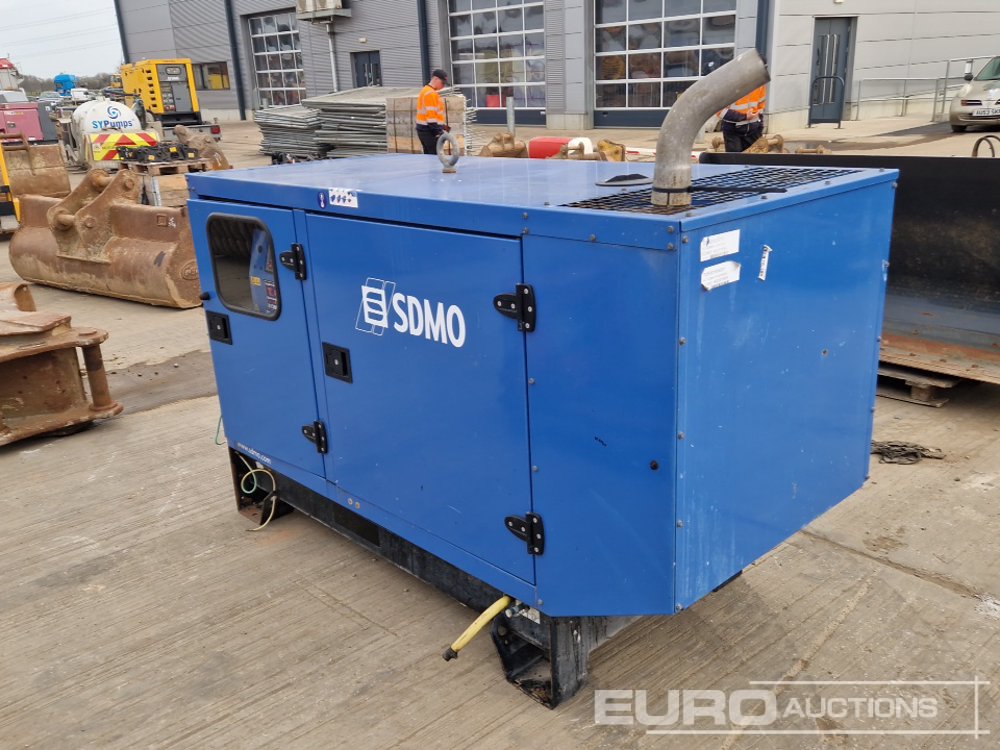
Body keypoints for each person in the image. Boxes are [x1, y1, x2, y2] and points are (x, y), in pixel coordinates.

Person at [719, 85, 767, 153]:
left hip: (754, 129)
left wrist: (759, 128)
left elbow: (760, 109)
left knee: (755, 157)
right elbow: (720, 112)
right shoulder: (730, 84)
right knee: (735, 158)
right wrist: (744, 117)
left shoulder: (760, 84)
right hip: (733, 130)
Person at [416, 69, 450, 155]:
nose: (443, 86)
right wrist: (438, 132)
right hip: (429, 132)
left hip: (423, 130)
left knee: (428, 156)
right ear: (435, 79)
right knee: (435, 157)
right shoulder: (430, 94)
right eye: (442, 83)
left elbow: (430, 114)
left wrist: (442, 126)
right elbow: (431, 118)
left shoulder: (425, 90)